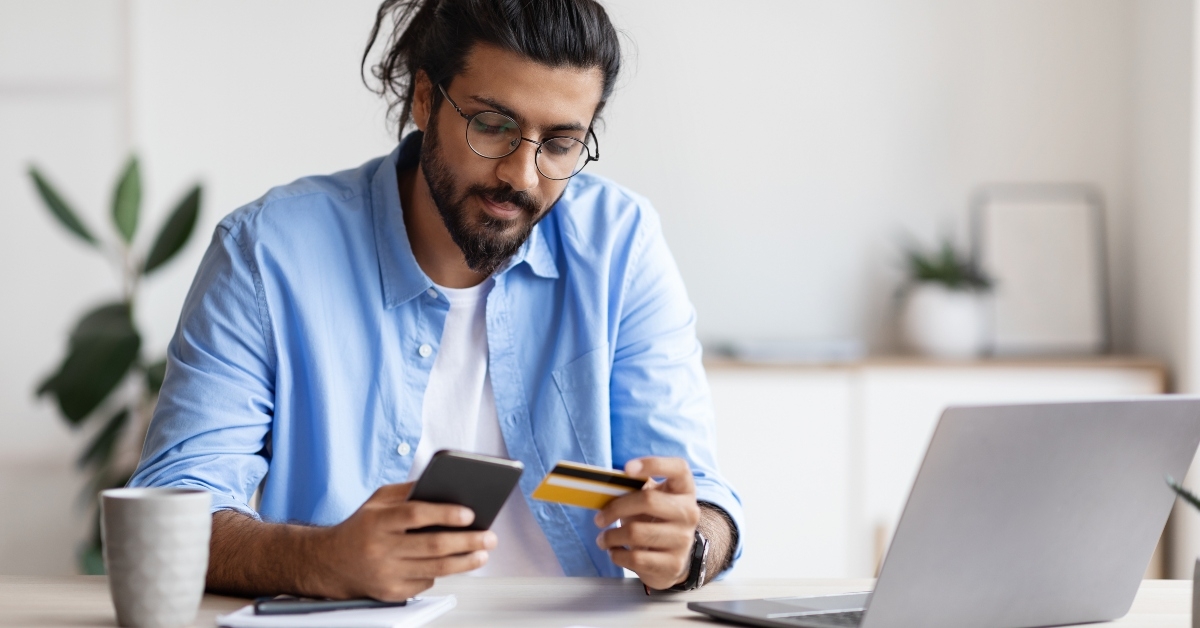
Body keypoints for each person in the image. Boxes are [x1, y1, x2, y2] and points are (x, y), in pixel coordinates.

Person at [128, 0, 742, 601]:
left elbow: (706, 504)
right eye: (492, 126)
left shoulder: (620, 245)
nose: (522, 176)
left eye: (558, 144)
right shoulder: (267, 252)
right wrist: (321, 560)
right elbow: (171, 512)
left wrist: (688, 547)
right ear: (425, 99)